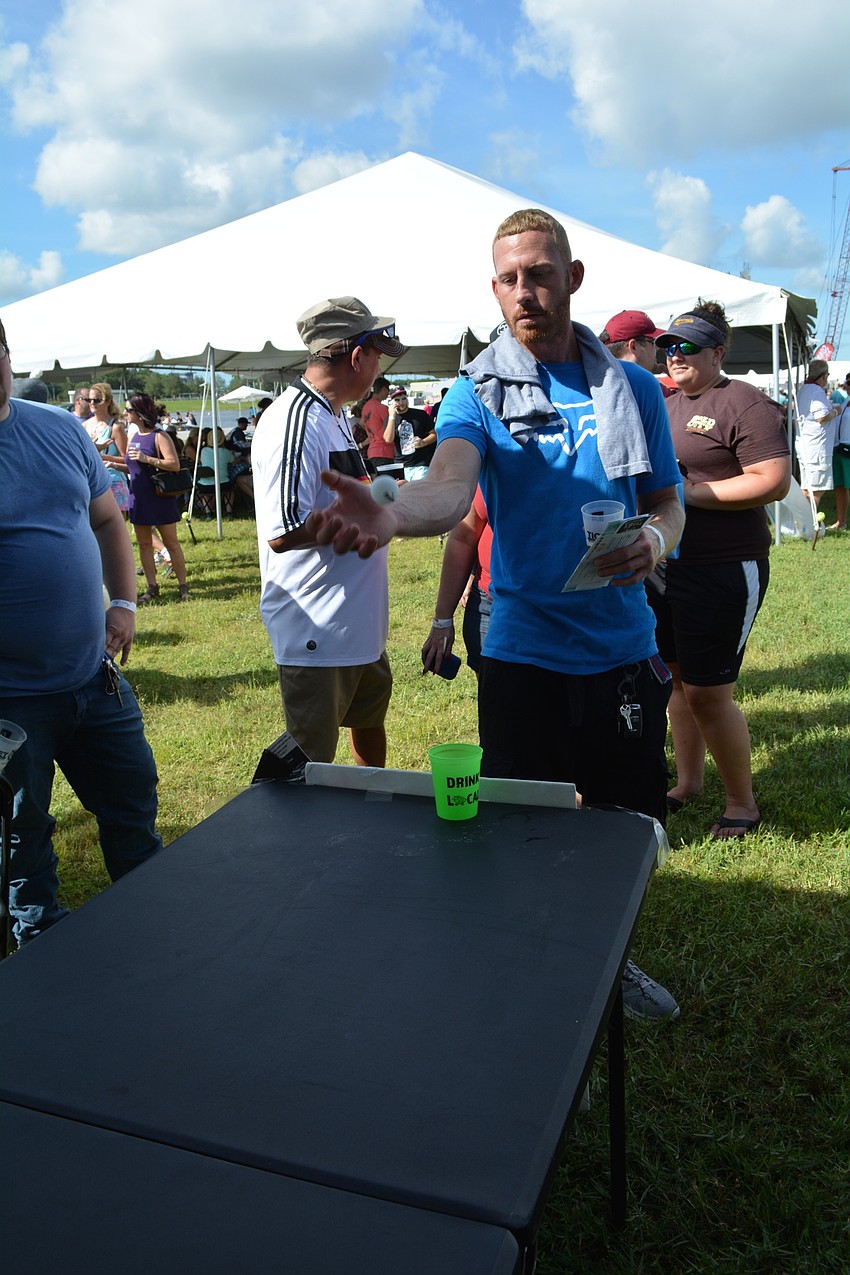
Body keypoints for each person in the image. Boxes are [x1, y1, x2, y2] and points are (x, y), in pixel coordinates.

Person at [310, 210, 685, 1021]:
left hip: (623, 646)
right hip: (523, 654)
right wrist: (395, 509)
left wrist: (657, 537)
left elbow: (667, 502)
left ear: (572, 278)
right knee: (525, 834)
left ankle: (610, 965)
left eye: (541, 274)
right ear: (494, 288)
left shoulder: (633, 386)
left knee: (625, 833)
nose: (526, 292)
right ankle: (540, 983)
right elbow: (451, 486)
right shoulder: (474, 391)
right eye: (510, 279)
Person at [0, 314, 163, 948]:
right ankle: (39, 950)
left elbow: (107, 523)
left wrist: (122, 602)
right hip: (10, 699)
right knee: (22, 836)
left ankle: (149, 919)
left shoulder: (61, 429)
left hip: (93, 680)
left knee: (131, 805)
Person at [651, 301, 790, 839]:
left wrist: (690, 495)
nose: (675, 355)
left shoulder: (744, 403)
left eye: (687, 347)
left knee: (710, 691)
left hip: (725, 566)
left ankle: (742, 804)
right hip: (667, 566)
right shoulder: (663, 404)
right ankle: (688, 784)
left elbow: (771, 480)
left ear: (717, 352)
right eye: (669, 346)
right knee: (677, 683)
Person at [251, 296, 406, 767]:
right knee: (308, 760)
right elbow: (283, 530)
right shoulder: (296, 420)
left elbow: (346, 497)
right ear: (358, 356)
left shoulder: (333, 414)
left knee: (368, 722)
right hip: (318, 625)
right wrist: (367, 514)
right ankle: (301, 841)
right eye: (378, 356)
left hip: (352, 623)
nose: (379, 369)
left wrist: (385, 495)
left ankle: (371, 819)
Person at [109, 392, 190, 602]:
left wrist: (149, 458)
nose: (125, 413)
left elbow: (174, 464)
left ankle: (183, 587)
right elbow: (134, 467)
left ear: (139, 413)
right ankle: (152, 587)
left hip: (159, 497)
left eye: (128, 410)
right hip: (138, 496)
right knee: (144, 544)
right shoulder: (134, 435)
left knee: (171, 542)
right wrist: (114, 464)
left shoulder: (159, 435)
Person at [421, 487, 492, 677]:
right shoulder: (495, 462)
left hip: (559, 607)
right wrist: (442, 621)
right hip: (489, 600)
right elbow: (466, 535)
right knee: (493, 694)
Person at [795, 360, 841, 510]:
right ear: (823, 376)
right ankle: (810, 523)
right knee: (816, 489)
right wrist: (835, 412)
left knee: (807, 487)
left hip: (806, 445)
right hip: (817, 448)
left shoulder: (804, 389)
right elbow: (821, 416)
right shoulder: (816, 391)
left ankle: (802, 522)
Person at [384, 386, 436, 481]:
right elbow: (388, 439)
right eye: (397, 400)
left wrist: (423, 442)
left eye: (403, 398)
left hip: (420, 463)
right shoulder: (390, 419)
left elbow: (434, 434)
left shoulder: (420, 414)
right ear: (392, 402)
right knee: (403, 494)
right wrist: (392, 417)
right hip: (401, 464)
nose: (401, 402)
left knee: (418, 492)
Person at [599, 310, 666, 378]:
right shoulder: (645, 384)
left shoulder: (597, 382)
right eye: (653, 342)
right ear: (633, 346)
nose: (657, 348)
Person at [361, 377, 395, 469]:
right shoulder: (382, 408)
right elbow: (391, 429)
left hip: (372, 451)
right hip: (384, 451)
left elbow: (365, 427)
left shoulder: (365, 407)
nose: (388, 394)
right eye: (388, 391)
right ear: (384, 389)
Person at [832, 393, 850, 530]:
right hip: (839, 449)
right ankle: (841, 521)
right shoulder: (844, 404)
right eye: (847, 383)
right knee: (840, 486)